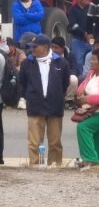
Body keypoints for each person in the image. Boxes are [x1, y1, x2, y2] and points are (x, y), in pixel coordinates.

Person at [18, 34, 70, 166]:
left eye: (35, 47)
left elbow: (65, 83)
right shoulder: (26, 63)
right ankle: (34, 165)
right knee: (34, 142)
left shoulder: (61, 62)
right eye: (31, 47)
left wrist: (56, 95)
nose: (32, 49)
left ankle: (55, 165)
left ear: (46, 47)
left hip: (55, 106)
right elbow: (22, 84)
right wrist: (30, 96)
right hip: (35, 106)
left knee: (55, 142)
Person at [67, 0, 92, 77]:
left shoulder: (90, 8)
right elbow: (73, 25)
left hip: (91, 40)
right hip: (78, 40)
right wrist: (84, 34)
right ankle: (80, 80)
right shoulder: (73, 10)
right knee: (78, 62)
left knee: (94, 59)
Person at [51, 36, 78, 108]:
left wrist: (64, 75)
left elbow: (75, 70)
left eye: (56, 48)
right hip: (51, 78)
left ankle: (69, 100)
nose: (53, 50)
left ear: (62, 48)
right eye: (52, 47)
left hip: (65, 78)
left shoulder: (70, 55)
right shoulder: (48, 55)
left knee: (73, 79)